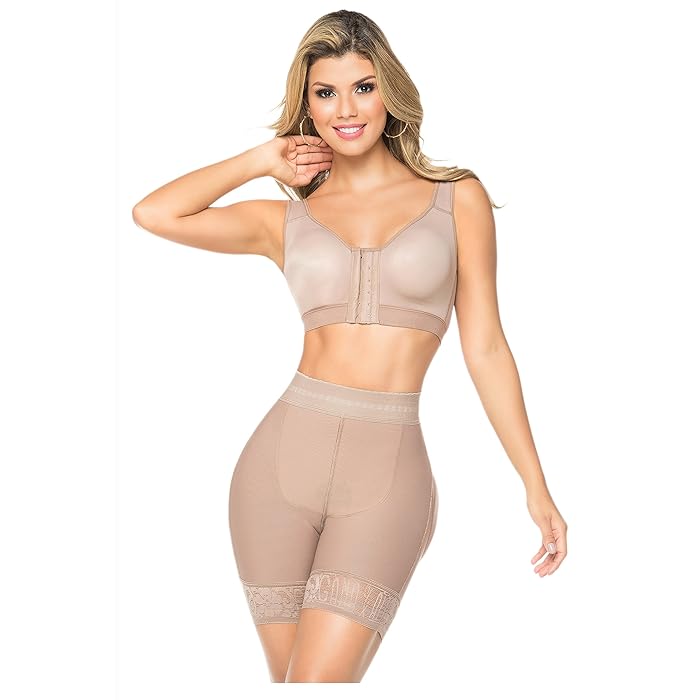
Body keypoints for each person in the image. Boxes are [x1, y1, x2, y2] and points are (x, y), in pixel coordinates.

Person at [132, 9, 568, 684]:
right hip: (276, 471)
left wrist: (534, 484)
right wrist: (259, 160)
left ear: (389, 90)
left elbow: (485, 346)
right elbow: (154, 213)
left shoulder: (457, 198)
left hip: (386, 477)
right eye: (325, 92)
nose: (346, 109)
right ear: (306, 104)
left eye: (363, 87)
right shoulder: (287, 219)